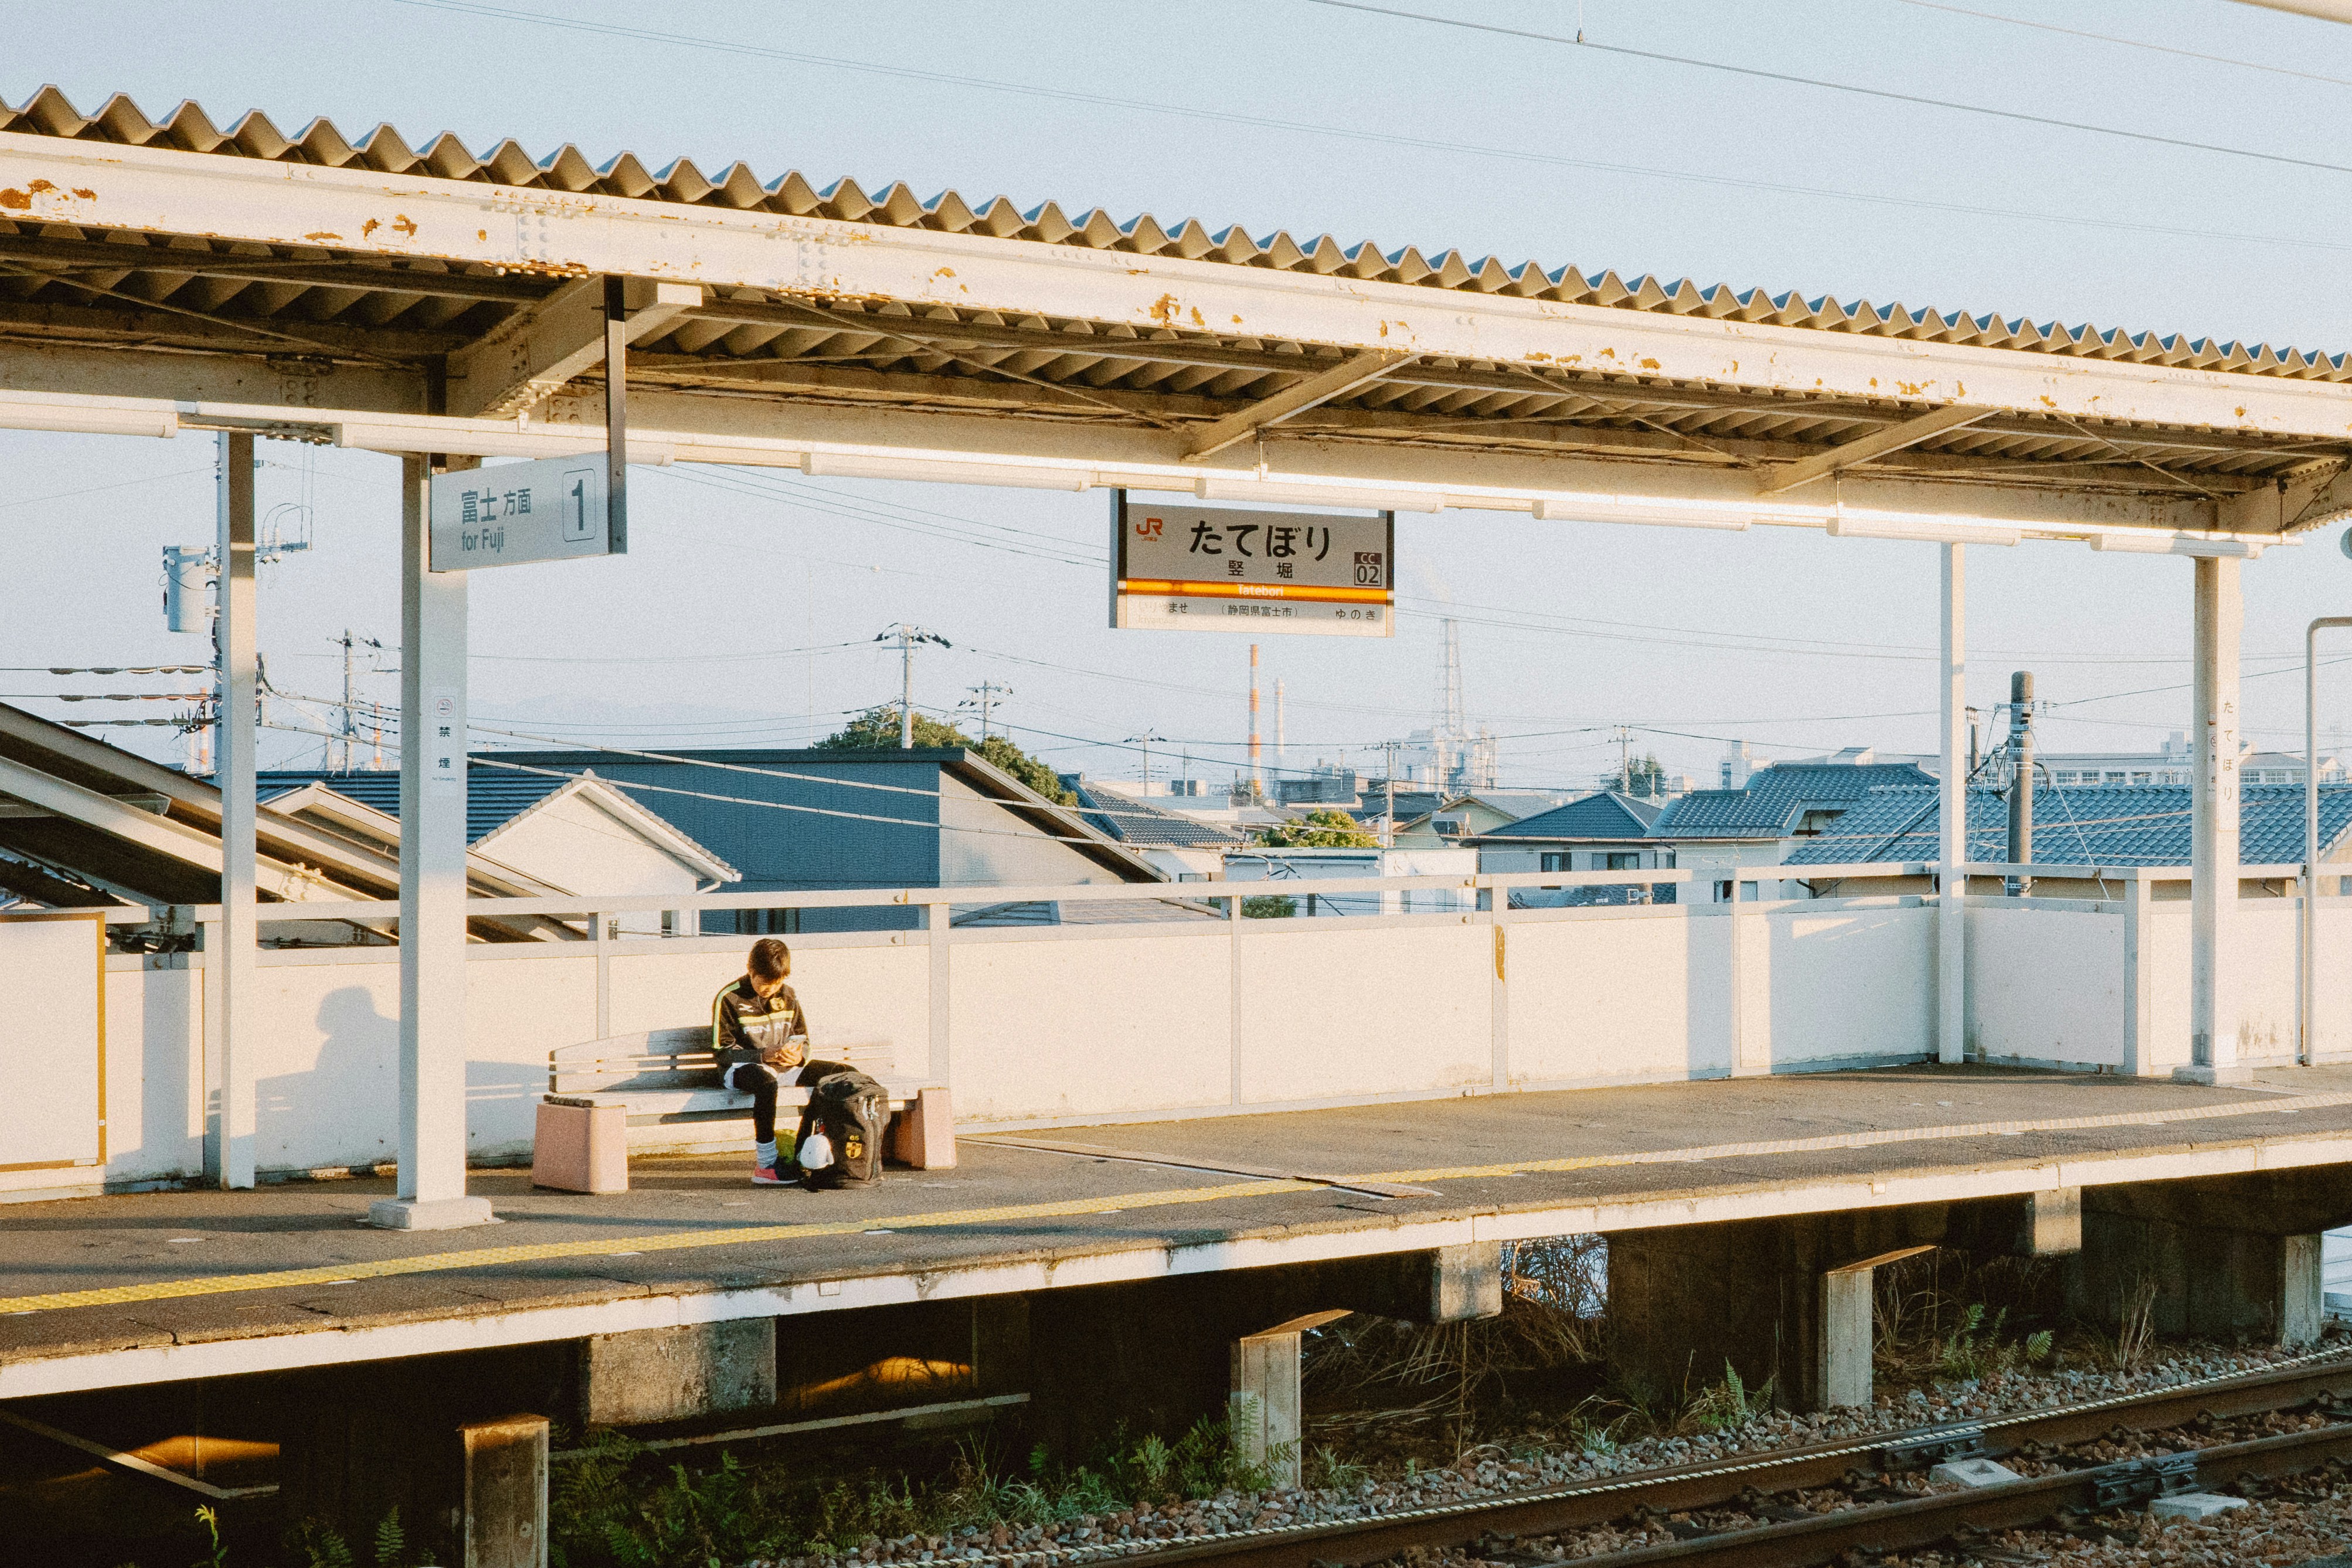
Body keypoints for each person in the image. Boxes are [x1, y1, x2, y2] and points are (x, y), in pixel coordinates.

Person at [711, 938, 851, 1186]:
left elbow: (804, 1039)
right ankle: (766, 1165)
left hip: (783, 1067)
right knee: (766, 1084)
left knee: (843, 1074)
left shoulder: (789, 995)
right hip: (741, 1068)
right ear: (750, 970)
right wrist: (762, 1055)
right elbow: (723, 1051)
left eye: (777, 983)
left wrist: (799, 1056)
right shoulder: (729, 997)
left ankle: (822, 1149)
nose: (771, 990)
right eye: (765, 983)